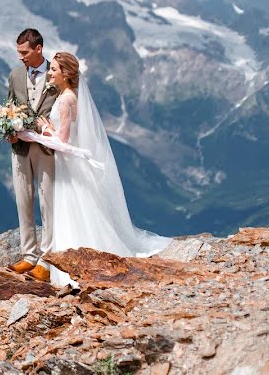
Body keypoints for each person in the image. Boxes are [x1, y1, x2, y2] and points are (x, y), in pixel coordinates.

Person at [36, 52, 171, 286]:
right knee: (76, 208)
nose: (50, 72)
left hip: (67, 165)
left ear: (66, 74)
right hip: (67, 165)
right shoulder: (67, 95)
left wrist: (46, 130)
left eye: (54, 69)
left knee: (72, 208)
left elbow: (64, 141)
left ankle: (74, 264)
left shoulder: (67, 99)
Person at [5, 28, 60, 282]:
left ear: (38, 49)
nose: (21, 57)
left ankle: (47, 261)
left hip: (47, 149)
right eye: (18, 52)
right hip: (20, 148)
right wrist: (8, 130)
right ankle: (29, 255)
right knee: (23, 200)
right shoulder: (15, 76)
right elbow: (9, 106)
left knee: (47, 201)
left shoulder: (56, 75)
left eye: (24, 52)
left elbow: (66, 112)